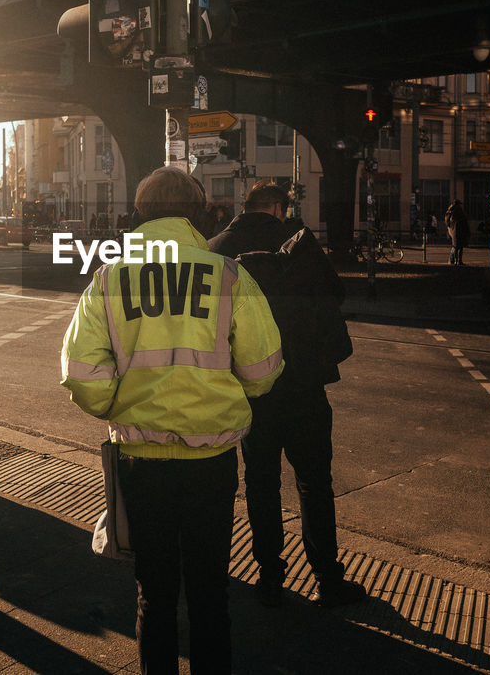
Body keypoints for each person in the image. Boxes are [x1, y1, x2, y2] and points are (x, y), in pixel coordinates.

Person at [61, 166, 284, 675]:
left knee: (154, 593)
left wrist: (122, 405)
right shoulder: (228, 275)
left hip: (141, 462)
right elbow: (263, 368)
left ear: (141, 217)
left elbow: (82, 377)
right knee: (211, 592)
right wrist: (230, 393)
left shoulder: (109, 279)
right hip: (212, 460)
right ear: (198, 216)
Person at [208, 180, 366, 609]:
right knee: (315, 482)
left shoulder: (216, 248)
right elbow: (335, 293)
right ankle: (327, 578)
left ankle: (270, 577)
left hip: (252, 390)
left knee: (261, 482)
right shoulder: (299, 243)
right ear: (277, 207)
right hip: (303, 385)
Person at [445, 199, 470, 265]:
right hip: (460, 230)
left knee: (455, 246)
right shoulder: (459, 211)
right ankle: (458, 261)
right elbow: (464, 222)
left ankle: (455, 261)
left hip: (453, 231)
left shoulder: (450, 211)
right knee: (460, 247)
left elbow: (447, 222)